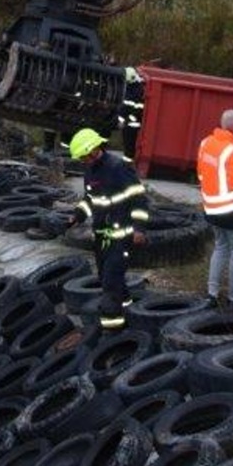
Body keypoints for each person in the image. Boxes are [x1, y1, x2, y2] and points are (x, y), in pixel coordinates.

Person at [68, 127, 149, 331]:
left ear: (94, 150)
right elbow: (91, 200)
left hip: (122, 236)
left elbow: (138, 199)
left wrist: (139, 229)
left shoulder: (118, 168)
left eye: (84, 157)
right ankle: (129, 311)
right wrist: (77, 216)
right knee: (106, 276)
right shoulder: (90, 171)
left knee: (110, 282)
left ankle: (111, 330)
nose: (82, 161)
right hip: (101, 237)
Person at [197, 108, 233, 309]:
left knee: (220, 248)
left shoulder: (206, 143)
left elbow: (201, 173)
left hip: (211, 208)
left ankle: (212, 294)